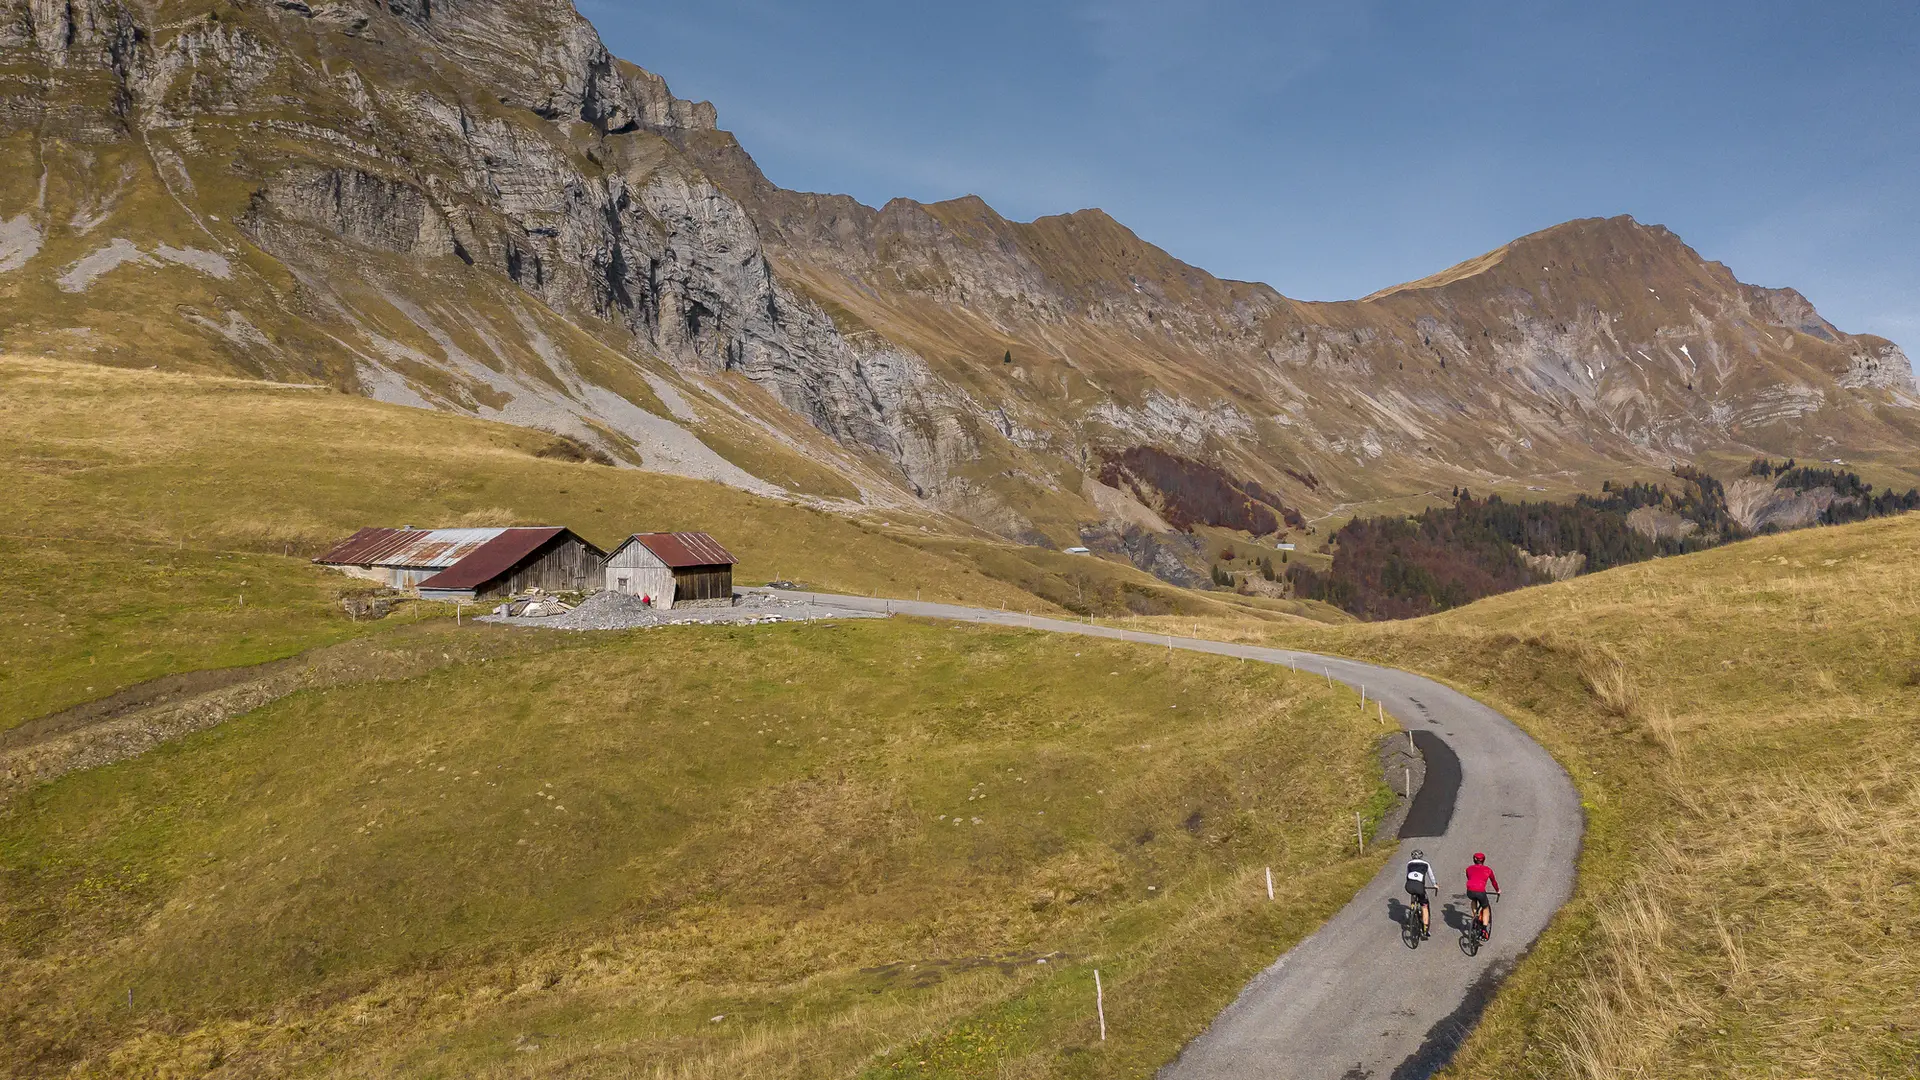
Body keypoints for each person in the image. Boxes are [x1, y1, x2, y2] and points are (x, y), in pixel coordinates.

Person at [1466, 852, 1501, 940]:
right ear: (1484, 860)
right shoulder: (1488, 870)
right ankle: (1484, 930)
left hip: (1470, 890)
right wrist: (1497, 890)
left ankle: (1475, 917)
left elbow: (1470, 878)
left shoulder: (1468, 869)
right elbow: (1493, 882)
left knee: (1474, 900)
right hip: (1480, 891)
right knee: (1485, 908)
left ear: (1474, 860)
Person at [1404, 849, 1436, 939]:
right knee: (1424, 906)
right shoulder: (1426, 864)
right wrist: (1435, 884)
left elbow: (1407, 875)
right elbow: (1431, 876)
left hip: (1409, 886)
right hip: (1420, 887)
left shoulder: (1409, 864)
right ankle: (1425, 931)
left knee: (1413, 893)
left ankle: (1412, 907)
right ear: (1421, 856)